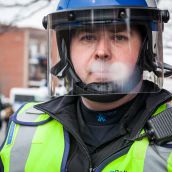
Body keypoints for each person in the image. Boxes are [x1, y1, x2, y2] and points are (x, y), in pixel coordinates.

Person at [0, 0, 172, 171]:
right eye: (88, 37)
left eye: (119, 36)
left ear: (145, 49)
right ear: (66, 50)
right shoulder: (24, 131)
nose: (102, 52)